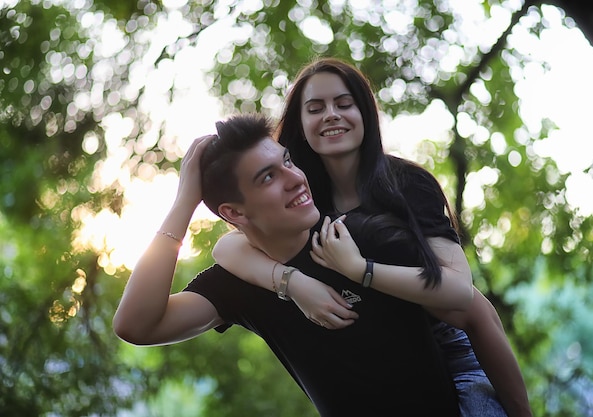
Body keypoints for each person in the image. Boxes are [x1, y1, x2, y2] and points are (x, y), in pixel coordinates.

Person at [212, 58, 533, 417]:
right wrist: (294, 283)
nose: (331, 114)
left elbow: (461, 293)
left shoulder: (407, 184)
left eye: (344, 104)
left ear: (365, 113)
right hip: (383, 357)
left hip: (449, 346)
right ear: (300, 126)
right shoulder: (302, 196)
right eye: (315, 108)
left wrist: (360, 269)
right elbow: (226, 246)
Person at [113, 113, 461, 416]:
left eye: (289, 161)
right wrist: (183, 203)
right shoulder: (238, 284)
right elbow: (136, 326)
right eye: (268, 177)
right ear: (234, 213)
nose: (295, 178)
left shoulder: (357, 237)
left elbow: (472, 311)